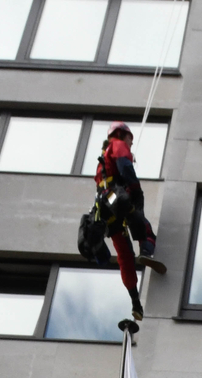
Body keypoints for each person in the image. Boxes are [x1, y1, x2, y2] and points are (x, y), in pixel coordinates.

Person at [83, 122, 165, 320]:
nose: (131, 142)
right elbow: (125, 167)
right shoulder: (118, 145)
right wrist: (135, 189)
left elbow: (108, 177)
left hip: (106, 209)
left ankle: (135, 302)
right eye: (130, 138)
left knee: (124, 255)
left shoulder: (102, 160)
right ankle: (146, 250)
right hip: (117, 200)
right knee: (142, 223)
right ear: (121, 134)